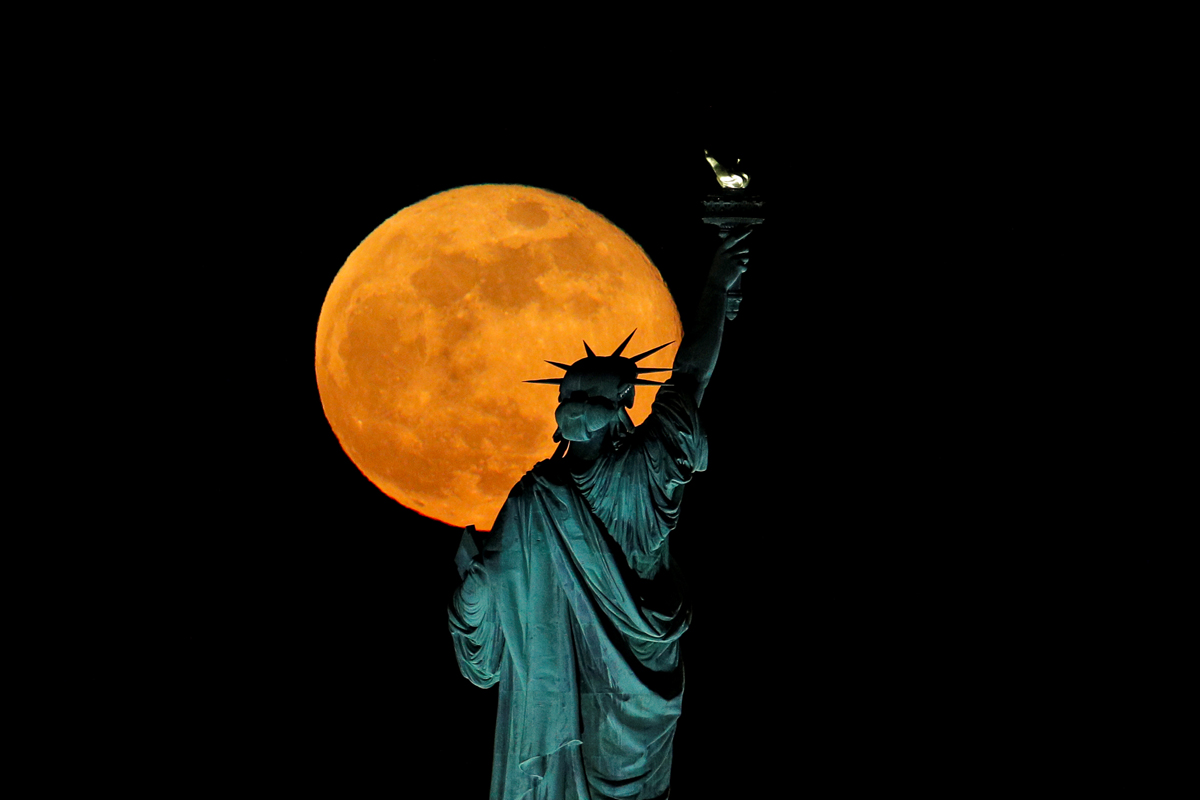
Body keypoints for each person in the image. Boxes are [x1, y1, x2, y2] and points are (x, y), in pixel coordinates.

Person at [448, 231, 751, 800]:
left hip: (564, 696)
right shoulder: (644, 471)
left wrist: (473, 589)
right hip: (640, 681)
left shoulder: (534, 498)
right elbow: (692, 377)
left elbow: (482, 626)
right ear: (621, 410)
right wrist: (714, 290)